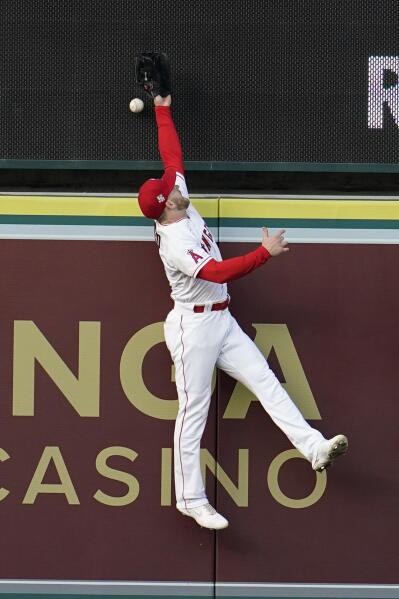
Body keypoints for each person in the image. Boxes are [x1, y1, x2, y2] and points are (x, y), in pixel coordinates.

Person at [137, 94, 348, 530]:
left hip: (221, 319)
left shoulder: (176, 199)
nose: (175, 185)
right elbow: (215, 270)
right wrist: (264, 254)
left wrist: (161, 109)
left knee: (266, 381)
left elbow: (171, 153)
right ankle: (190, 498)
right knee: (193, 411)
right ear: (166, 208)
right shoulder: (174, 243)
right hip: (191, 326)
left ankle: (314, 448)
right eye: (170, 191)